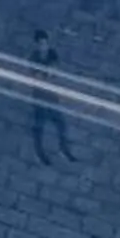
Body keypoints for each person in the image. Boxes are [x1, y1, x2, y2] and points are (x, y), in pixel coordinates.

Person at [29, 26, 76, 166]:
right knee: (40, 125)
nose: (44, 46)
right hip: (39, 95)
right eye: (41, 44)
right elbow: (37, 76)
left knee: (60, 123)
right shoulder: (34, 58)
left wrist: (51, 72)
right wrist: (46, 73)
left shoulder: (52, 53)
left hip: (51, 94)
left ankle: (64, 149)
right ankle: (39, 152)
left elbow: (55, 69)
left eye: (45, 43)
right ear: (37, 44)